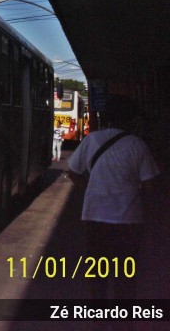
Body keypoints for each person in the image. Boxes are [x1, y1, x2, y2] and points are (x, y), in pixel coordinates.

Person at [67, 94, 160, 300]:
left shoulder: (92, 140)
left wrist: (93, 188)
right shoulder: (138, 145)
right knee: (125, 281)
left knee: (97, 279)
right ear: (131, 119)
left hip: (94, 219)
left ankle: (98, 319)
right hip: (128, 222)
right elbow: (150, 185)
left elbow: (73, 172)